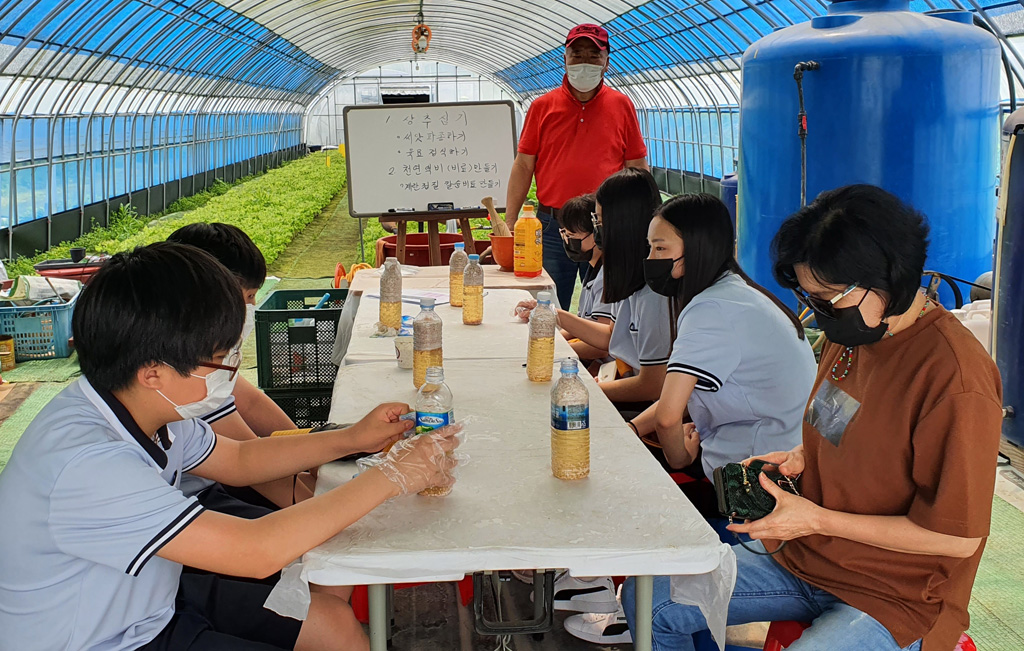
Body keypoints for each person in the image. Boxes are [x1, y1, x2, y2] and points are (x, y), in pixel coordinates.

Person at [0, 242, 460, 651]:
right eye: (219, 359)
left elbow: (239, 459)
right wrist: (393, 475)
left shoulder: (141, 405)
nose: (230, 370)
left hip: (154, 603)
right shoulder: (88, 465)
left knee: (333, 622)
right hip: (107, 638)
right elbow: (254, 550)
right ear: (152, 372)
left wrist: (353, 438)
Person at [622, 185, 1003, 651]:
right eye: (811, 298)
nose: (819, 314)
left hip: (897, 594)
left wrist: (815, 520)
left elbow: (956, 539)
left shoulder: (954, 379)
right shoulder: (854, 337)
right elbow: (843, 429)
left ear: (890, 276)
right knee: (652, 600)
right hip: (810, 558)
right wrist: (799, 458)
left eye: (828, 298)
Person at [562, 194, 816, 646]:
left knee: (620, 490)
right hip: (763, 464)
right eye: (649, 248)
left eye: (661, 249)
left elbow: (670, 416)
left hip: (753, 489)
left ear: (695, 248)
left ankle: (599, 590)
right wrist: (630, 431)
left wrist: (678, 456)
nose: (650, 259)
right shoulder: (733, 294)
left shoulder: (711, 309)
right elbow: (667, 407)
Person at [167, 222, 313, 516]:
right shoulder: (186, 376)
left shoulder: (197, 354)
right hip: (194, 497)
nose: (251, 307)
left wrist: (312, 459)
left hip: (217, 476)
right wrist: (324, 506)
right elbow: (247, 462)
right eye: (247, 297)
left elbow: (250, 401)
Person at [505, 23, 649, 309]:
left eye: (594, 56)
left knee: (610, 302)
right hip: (552, 225)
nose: (585, 62)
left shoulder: (622, 105)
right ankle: (549, 351)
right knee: (545, 302)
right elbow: (523, 166)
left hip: (605, 224)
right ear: (565, 59)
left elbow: (636, 166)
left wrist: (643, 218)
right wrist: (509, 222)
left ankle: (593, 353)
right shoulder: (542, 107)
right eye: (577, 54)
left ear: (607, 61)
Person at [559, 168, 670, 412]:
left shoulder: (654, 291)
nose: (597, 228)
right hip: (626, 381)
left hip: (647, 404)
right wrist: (555, 318)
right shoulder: (627, 272)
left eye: (599, 221)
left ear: (622, 224)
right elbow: (611, 336)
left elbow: (652, 386)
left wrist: (583, 392)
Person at [515, 194, 614, 366]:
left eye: (573, 235)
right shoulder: (594, 269)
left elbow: (600, 346)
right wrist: (551, 340)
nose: (568, 241)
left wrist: (554, 349)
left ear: (597, 233)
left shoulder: (607, 276)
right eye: (565, 234)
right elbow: (586, 325)